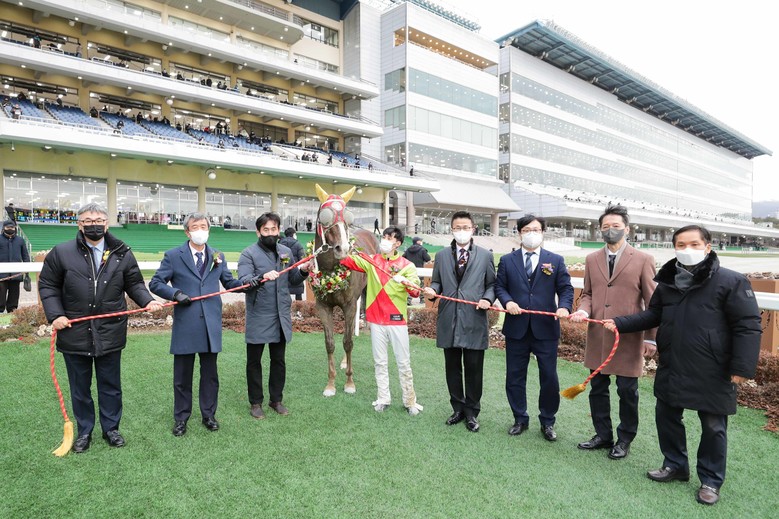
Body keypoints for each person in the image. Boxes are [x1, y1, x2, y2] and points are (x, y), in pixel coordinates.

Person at [604, 225, 761, 506]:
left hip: (713, 367)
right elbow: (654, 315)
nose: (687, 249)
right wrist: (619, 323)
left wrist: (742, 368)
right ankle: (675, 465)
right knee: (666, 416)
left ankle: (711, 480)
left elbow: (747, 326)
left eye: (694, 244)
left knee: (713, 426)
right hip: (673, 363)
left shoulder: (731, 281)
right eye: (681, 244)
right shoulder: (668, 281)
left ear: (708, 247)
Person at [38, 203, 162, 453]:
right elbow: (48, 286)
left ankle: (111, 429)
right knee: (80, 388)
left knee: (110, 385)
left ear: (106, 224)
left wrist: (147, 301)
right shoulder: (61, 253)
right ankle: (84, 431)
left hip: (110, 331)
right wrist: (56, 315)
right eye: (88, 221)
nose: (93, 225)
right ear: (79, 224)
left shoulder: (122, 252)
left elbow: (134, 283)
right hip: (74, 331)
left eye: (98, 220)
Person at [569, 204, 657, 460]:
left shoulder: (643, 259)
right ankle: (603, 435)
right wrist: (583, 310)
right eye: (605, 226)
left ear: (627, 229)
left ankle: (625, 439)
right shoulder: (591, 259)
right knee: (597, 388)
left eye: (616, 226)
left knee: (627, 391)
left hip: (628, 337)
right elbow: (588, 294)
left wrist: (651, 337)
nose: (611, 230)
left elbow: (653, 303)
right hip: (598, 335)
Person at [149, 213, 244, 437]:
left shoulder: (217, 256)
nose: (200, 230)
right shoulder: (174, 256)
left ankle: (209, 415)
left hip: (211, 325)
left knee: (210, 375)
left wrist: (249, 283)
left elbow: (230, 283)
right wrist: (176, 293)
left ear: (208, 230)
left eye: (204, 226)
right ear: (187, 231)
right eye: (195, 226)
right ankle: (181, 418)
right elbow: (156, 282)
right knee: (182, 376)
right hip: (186, 324)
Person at [496, 214, 573, 441]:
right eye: (527, 230)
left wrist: (564, 307)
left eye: (536, 230)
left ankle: (547, 421)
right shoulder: (507, 260)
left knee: (549, 377)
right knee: (515, 376)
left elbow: (566, 288)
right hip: (516, 328)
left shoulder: (555, 260)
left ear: (542, 232)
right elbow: (500, 287)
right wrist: (508, 302)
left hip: (546, 329)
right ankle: (520, 418)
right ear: (519, 233)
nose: (531, 234)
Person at [423, 211, 495, 432]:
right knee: (452, 367)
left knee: (474, 368)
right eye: (457, 227)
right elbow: (437, 282)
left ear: (473, 229)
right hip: (449, 318)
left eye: (465, 227)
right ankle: (457, 408)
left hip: (474, 317)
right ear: (452, 229)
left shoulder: (485, 256)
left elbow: (492, 284)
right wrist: (432, 291)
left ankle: (472, 412)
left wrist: (487, 299)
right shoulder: (442, 255)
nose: (461, 231)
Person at [341, 226, 423, 415]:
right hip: (376, 320)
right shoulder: (372, 261)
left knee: (403, 362)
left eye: (390, 238)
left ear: (398, 243)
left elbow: (416, 292)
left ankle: (410, 401)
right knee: (380, 362)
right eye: (384, 236)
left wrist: (407, 283)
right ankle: (383, 398)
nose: (385, 240)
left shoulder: (407, 266)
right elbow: (347, 261)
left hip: (397, 321)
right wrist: (343, 247)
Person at [238, 213, 311, 419]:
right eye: (266, 230)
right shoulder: (248, 254)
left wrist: (303, 270)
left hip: (281, 315)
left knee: (278, 360)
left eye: (274, 229)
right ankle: (256, 402)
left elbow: (292, 278)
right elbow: (244, 281)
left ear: (279, 230)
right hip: (259, 314)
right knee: (254, 361)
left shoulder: (286, 252)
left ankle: (276, 400)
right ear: (258, 232)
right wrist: (261, 277)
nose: (270, 233)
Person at [0, 220, 30, 313]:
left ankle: (12, 311)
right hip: (1, 273)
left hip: (16, 273)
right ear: (4, 228)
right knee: (1, 294)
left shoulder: (20, 240)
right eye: (8, 227)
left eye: (12, 227)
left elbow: (25, 256)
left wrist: (27, 270)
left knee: (14, 294)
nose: (10, 229)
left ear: (15, 228)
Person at [402, 236, 431, 305]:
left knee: (410, 285)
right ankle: (422, 300)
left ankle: (408, 300)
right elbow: (428, 259)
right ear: (418, 242)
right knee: (421, 286)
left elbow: (403, 258)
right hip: (420, 270)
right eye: (420, 240)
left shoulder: (408, 250)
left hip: (410, 271)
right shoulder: (422, 250)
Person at [279, 227, 306, 301]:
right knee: (298, 295)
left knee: (284, 295)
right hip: (295, 272)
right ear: (294, 234)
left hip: (284, 273)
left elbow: (283, 261)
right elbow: (302, 259)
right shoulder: (297, 244)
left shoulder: (281, 244)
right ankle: (298, 307)